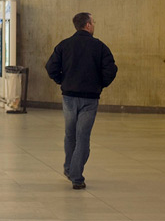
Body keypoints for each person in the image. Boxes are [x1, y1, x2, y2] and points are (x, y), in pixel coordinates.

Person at [46, 12, 118, 190]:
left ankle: (70, 168)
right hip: (89, 99)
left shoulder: (64, 45)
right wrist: (100, 84)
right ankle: (76, 176)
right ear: (87, 25)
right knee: (83, 136)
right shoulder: (99, 47)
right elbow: (111, 69)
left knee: (70, 134)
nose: (94, 25)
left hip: (69, 97)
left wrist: (62, 81)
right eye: (93, 22)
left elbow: (51, 67)